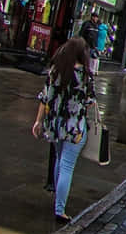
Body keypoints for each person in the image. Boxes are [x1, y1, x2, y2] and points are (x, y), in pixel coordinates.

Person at [32, 38, 95, 223]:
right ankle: (60, 209)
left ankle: (58, 201)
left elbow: (45, 99)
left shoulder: (56, 71)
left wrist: (38, 122)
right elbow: (89, 103)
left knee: (60, 160)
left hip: (56, 124)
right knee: (67, 165)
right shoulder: (84, 75)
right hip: (75, 126)